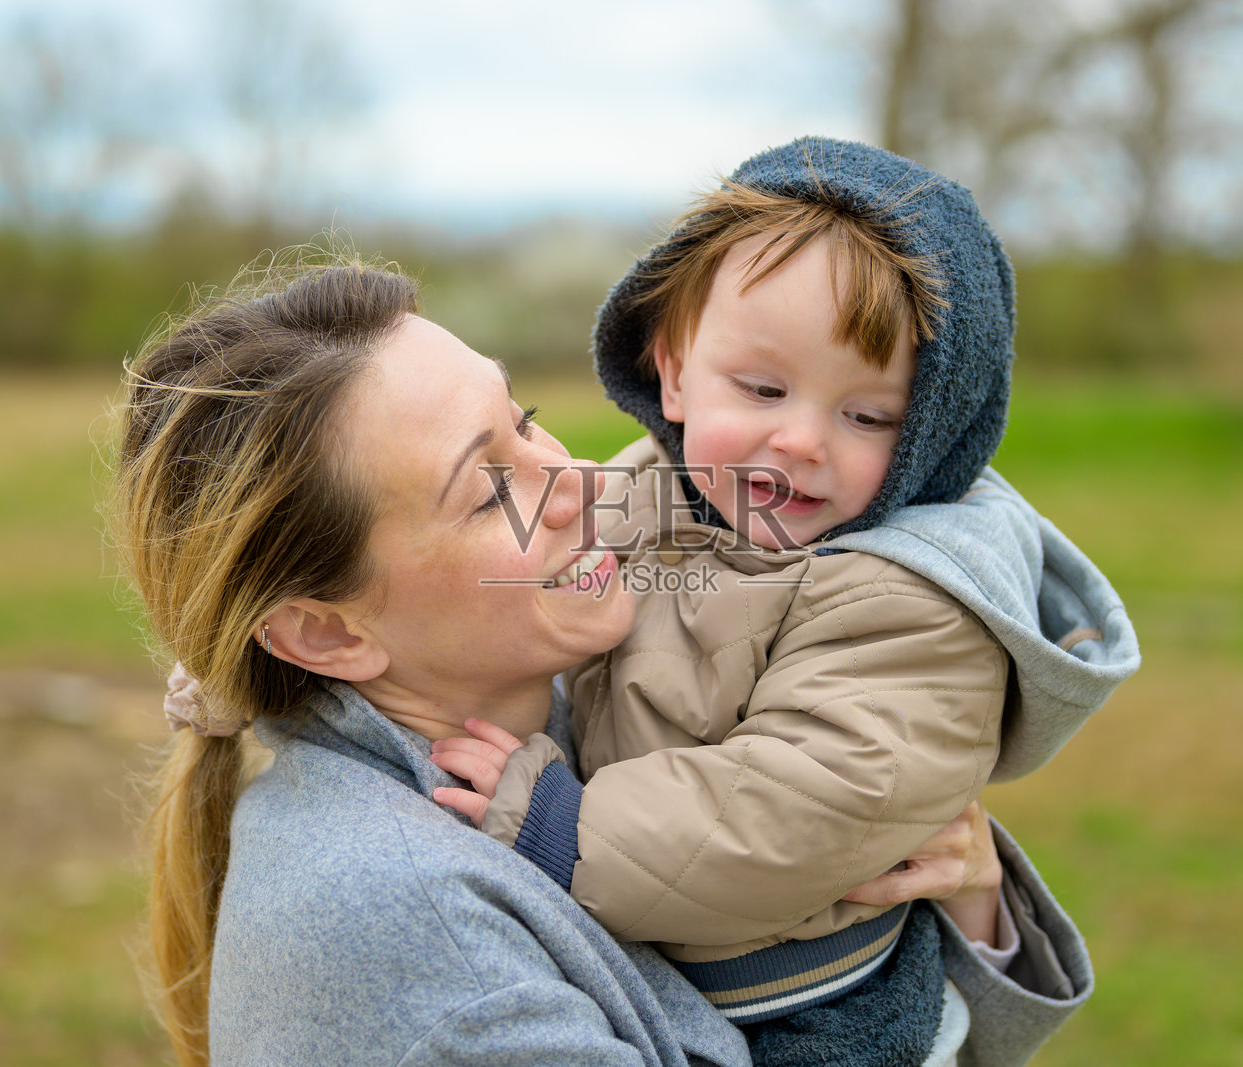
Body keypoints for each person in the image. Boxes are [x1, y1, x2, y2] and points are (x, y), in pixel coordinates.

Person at [112, 254, 1094, 1067]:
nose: (577, 479)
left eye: (525, 418)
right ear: (327, 633)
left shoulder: (566, 697)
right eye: (487, 483)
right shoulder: (404, 917)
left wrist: (957, 892)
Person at [434, 138, 1139, 1063]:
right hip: (649, 961)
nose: (801, 439)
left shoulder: (915, 600)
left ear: (934, 433)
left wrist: (563, 827)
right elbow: (480, 577)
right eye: (763, 388)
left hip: (813, 1012)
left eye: (869, 416)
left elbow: (787, 810)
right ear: (676, 370)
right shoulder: (655, 490)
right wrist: (275, 636)